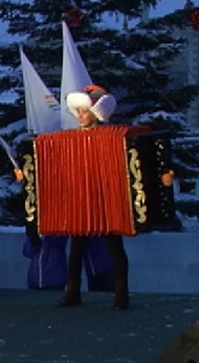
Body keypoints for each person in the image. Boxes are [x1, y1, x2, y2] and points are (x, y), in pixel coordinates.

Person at [57, 85, 130, 310]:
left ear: (96, 112)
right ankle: (73, 291)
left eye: (84, 111)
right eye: (77, 111)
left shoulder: (113, 137)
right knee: (76, 247)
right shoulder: (68, 141)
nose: (80, 116)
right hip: (81, 199)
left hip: (106, 198)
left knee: (114, 245)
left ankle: (121, 294)